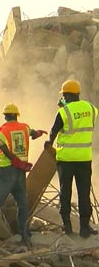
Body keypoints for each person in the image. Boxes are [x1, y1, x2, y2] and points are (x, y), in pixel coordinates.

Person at [0, 103, 47, 245]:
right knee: (22, 204)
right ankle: (25, 234)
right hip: (20, 173)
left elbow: (3, 148)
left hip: (6, 171)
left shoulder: (3, 131)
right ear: (17, 115)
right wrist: (39, 133)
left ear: (5, 116)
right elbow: (33, 133)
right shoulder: (24, 127)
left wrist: (14, 160)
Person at [44, 79, 98, 238]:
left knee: (65, 191)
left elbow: (53, 132)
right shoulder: (91, 108)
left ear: (66, 95)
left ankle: (67, 226)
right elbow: (81, 118)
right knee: (83, 193)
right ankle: (84, 228)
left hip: (66, 160)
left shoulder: (63, 112)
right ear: (78, 93)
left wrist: (49, 143)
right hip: (84, 159)